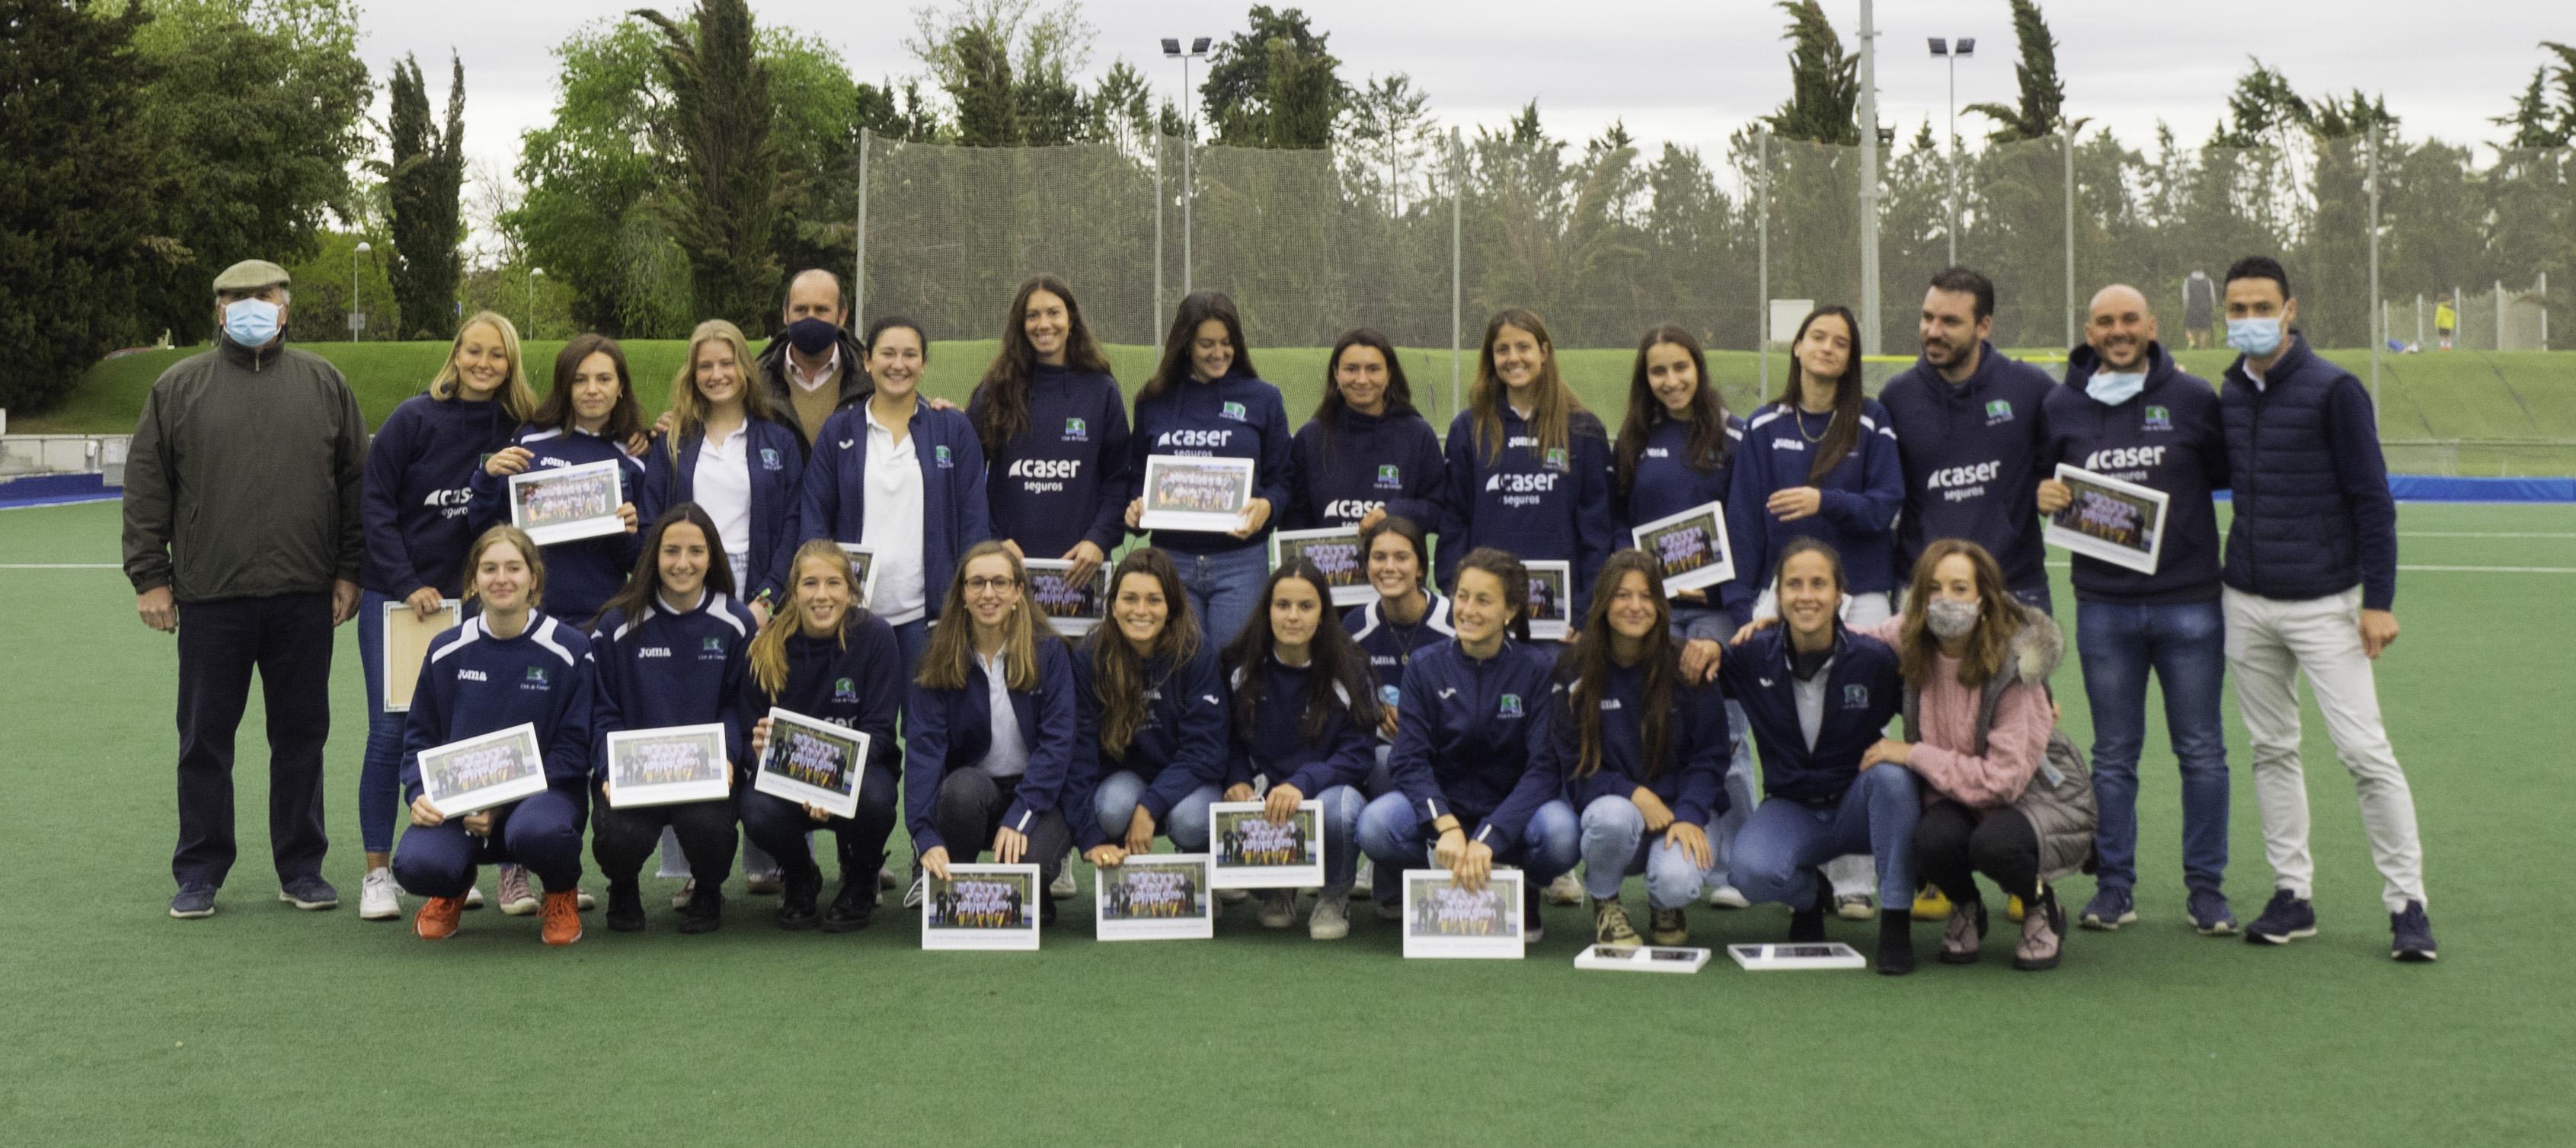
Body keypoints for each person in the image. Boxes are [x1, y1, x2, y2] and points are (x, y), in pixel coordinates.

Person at [124, 258, 366, 919]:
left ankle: (302, 867)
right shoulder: (178, 388)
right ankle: (200, 870)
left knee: (301, 736)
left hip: (303, 596)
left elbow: (354, 486)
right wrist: (151, 578)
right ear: (218, 310)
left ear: (285, 307)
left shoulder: (324, 383)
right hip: (210, 598)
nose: (250, 306)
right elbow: (148, 490)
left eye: (263, 296)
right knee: (204, 740)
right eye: (236, 298)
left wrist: (349, 571)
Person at [2215, 256, 2434, 961]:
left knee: (2365, 753)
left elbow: (2374, 500)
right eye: (2237, 307)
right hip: (2246, 601)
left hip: (2326, 605)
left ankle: (2407, 904)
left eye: (2261, 306)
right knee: (2272, 750)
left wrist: (2380, 602)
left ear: (2290, 309)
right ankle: (2293, 894)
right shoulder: (2226, 393)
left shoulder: (2335, 389)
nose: (2248, 319)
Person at [2038, 285, 2236, 935]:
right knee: (2114, 755)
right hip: (2105, 608)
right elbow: (2042, 485)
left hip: (2190, 604)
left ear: (2153, 325)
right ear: (2088, 330)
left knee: (2202, 751)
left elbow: (2221, 474)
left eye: (2130, 320)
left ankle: (2206, 888)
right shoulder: (2060, 403)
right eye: (2105, 322)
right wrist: (2044, 493)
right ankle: (2115, 886)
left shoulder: (2193, 398)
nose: (2118, 331)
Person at [350, 311, 534, 921]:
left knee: (475, 733)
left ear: (511, 363)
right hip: (402, 602)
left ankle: (463, 862)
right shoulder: (412, 418)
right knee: (393, 732)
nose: (484, 364)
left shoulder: (517, 429)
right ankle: (379, 873)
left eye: (497, 355)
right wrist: (409, 584)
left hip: (480, 603)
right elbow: (374, 505)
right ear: (455, 354)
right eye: (474, 351)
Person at [1843, 540, 2096, 971]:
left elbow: (2003, 782)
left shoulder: (2017, 666)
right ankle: (1967, 905)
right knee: (1928, 842)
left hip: (2034, 797)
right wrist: (1782, 623)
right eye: (1935, 588)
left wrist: (1914, 754)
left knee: (1993, 846)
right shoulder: (1911, 636)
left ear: (1984, 599)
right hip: (1956, 792)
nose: (1946, 600)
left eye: (1960, 588)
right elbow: (1847, 642)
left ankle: (2040, 905)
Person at [1727, 305, 1903, 918]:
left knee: (1858, 727)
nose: (1828, 348)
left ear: (1851, 358)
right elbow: (1745, 519)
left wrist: (1824, 500)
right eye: (1818, 337)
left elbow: (1885, 505)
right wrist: (1744, 600)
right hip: (1785, 594)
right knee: (1780, 719)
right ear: (1797, 346)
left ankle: (1857, 880)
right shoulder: (1764, 424)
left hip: (1863, 593)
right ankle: (1786, 856)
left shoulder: (1872, 421)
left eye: (1841, 342)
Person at [1710, 539, 1917, 974]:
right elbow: (1696, 677)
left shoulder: (1875, 660)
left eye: (1819, 584)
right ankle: (1810, 897)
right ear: (1778, 595)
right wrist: (1707, 649)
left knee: (1893, 778)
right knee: (1749, 873)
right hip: (1793, 806)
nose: (1806, 596)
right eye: (1795, 585)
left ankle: (1896, 924)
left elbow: (1935, 705)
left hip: (1858, 806)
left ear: (1840, 595)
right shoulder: (1751, 655)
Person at [1609, 325, 1762, 910]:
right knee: (1655, 731)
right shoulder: (1633, 438)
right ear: (1645, 378)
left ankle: (1731, 867)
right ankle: (1663, 849)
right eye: (1658, 371)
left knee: (1726, 736)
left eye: (1680, 367)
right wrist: (1648, 586)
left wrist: (1719, 585)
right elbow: (1621, 526)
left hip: (1717, 612)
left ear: (1698, 368)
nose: (1670, 380)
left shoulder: (1735, 436)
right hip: (1653, 613)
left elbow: (1748, 525)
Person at [1357, 548, 1580, 940]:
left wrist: (1492, 836)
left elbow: (1544, 769)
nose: (1468, 610)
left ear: (1510, 610)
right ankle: (1443, 880)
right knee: (1376, 825)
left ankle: (1520, 886)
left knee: (1561, 836)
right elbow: (1409, 760)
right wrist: (1446, 825)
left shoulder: (1537, 669)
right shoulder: (1426, 666)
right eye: (1462, 596)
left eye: (1484, 600)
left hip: (1512, 812)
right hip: (1447, 810)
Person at [392, 526, 597, 945]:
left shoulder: (571, 649)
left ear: (533, 579)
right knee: (415, 864)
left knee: (540, 832)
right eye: (489, 569)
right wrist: (419, 793)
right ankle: (450, 888)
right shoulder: (446, 648)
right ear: (474, 580)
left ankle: (560, 893)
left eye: (513, 568)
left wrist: (501, 802)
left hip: (544, 798)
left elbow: (575, 752)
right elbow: (419, 740)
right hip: (461, 804)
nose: (501, 578)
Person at [1545, 552, 1731, 950]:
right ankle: (1606, 901)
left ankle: (1666, 903)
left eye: (1646, 597)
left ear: (1661, 606)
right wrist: (1634, 794)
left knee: (1676, 882)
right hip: (1617, 815)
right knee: (1613, 816)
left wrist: (1689, 815)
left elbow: (1711, 756)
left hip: (1680, 809)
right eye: (1622, 595)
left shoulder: (1687, 664)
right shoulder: (1573, 667)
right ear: (1603, 603)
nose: (1635, 607)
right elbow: (1573, 763)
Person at [587, 505, 759, 934]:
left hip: (703, 773)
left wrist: (730, 760)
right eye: (671, 551)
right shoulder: (617, 624)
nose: (683, 563)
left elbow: (737, 708)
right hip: (635, 774)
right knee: (618, 837)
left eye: (696, 551)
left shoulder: (735, 623)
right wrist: (609, 771)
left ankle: (707, 888)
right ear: (654, 556)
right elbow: (603, 709)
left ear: (712, 557)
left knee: (709, 828)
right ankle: (623, 886)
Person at [791, 315, 989, 674]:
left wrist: (966, 599)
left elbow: (974, 519)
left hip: (927, 618)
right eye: (888, 354)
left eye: (910, 355)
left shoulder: (953, 429)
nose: (899, 365)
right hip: (851, 612)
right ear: (867, 361)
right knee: (858, 726)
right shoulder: (839, 430)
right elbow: (815, 514)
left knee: (924, 727)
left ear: (924, 364)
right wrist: (822, 589)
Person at [901, 542, 1080, 919]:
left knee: (1031, 870)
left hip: (1039, 798)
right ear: (962, 594)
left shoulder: (1049, 652)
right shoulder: (937, 653)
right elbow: (924, 749)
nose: (988, 594)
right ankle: (949, 885)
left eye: (1000, 582)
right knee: (961, 789)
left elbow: (1058, 745)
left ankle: (1029, 884)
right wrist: (924, 836)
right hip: (976, 794)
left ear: (1018, 592)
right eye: (977, 583)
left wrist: (1022, 814)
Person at [738, 541, 907, 932]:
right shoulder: (765, 647)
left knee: (876, 800)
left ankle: (862, 874)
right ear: (793, 591)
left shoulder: (876, 636)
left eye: (834, 583)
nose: (822, 595)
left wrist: (831, 784)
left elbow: (881, 735)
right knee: (756, 808)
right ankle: (799, 875)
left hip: (860, 775)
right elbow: (751, 738)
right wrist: (766, 755)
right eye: (810, 583)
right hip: (788, 781)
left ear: (850, 590)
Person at [1879, 266, 2057, 613]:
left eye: (1950, 322)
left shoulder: (2029, 388)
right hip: (1924, 590)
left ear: (1984, 326)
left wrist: (2156, 383)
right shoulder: (1897, 398)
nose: (1933, 331)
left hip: (2013, 588)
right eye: (1927, 318)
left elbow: (2088, 424)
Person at [1123, 290, 1294, 650]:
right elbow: (1135, 475)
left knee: (1236, 669)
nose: (1219, 353)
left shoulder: (1263, 398)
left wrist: (1267, 507)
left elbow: (1284, 480)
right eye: (1206, 344)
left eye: (1227, 343)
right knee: (1179, 666)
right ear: (1185, 344)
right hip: (1173, 562)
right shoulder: (1153, 400)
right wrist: (1137, 506)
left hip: (1241, 563)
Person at [1218, 559, 1379, 938]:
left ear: (1323, 614)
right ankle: (1275, 890)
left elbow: (1359, 752)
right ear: (1267, 610)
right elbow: (1226, 738)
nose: (1293, 617)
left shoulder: (1350, 666)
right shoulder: (1237, 664)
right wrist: (1238, 779)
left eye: (1306, 607)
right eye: (1282, 605)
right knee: (1223, 801)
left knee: (1337, 810)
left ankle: (1332, 895)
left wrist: (1305, 782)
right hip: (1265, 789)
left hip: (1325, 787)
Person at [1437, 309, 1616, 622]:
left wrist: (1586, 609)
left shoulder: (1582, 429)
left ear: (1544, 352)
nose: (1513, 358)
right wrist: (1456, 592)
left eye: (1523, 347)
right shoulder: (1468, 428)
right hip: (1486, 612)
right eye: (1502, 350)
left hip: (1562, 616)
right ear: (1491, 358)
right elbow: (1455, 519)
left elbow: (1597, 529)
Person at [1065, 548, 1229, 876]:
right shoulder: (1090, 657)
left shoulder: (1196, 652)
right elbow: (1079, 750)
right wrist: (1089, 837)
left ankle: (1200, 868)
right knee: (1111, 809)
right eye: (1130, 599)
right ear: (1113, 606)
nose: (1141, 611)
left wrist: (1149, 806)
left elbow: (1206, 750)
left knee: (1191, 820)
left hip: (1189, 776)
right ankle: (1126, 882)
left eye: (1154, 600)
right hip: (1126, 776)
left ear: (1171, 608)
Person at [470, 334, 647, 630]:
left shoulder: (637, 457)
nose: (592, 390)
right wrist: (486, 479)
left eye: (604, 379)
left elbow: (638, 562)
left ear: (621, 388)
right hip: (527, 615)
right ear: (565, 386)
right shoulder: (530, 441)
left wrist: (626, 533)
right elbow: (483, 528)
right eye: (579, 380)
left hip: (600, 618)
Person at [970, 274, 1131, 602]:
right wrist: (993, 540)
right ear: (1021, 324)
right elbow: (966, 476)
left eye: (1054, 313)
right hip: (1006, 575)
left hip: (1080, 575)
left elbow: (1120, 478)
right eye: (1033, 315)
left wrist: (1099, 540)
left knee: (1080, 655)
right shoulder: (995, 391)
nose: (1044, 324)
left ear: (1071, 320)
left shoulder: (1100, 390)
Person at [641, 318, 806, 618]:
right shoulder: (673, 439)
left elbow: (792, 525)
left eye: (726, 364)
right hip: (686, 575)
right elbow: (650, 520)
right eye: (705, 366)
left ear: (743, 367)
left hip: (755, 586)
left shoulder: (779, 440)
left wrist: (769, 598)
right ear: (693, 374)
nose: (716, 375)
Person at [1284, 328, 1446, 533]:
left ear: (1389, 375)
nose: (1362, 380)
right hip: (1328, 565)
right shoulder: (1310, 438)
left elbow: (1438, 509)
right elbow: (1294, 517)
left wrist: (1395, 513)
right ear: (1336, 373)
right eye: (1351, 369)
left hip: (1391, 564)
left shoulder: (1418, 435)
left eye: (1373, 369)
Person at [754, 268, 872, 447]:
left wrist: (929, 406)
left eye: (821, 310)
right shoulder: (754, 382)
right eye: (801, 309)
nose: (810, 317)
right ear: (785, 313)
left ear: (842, 315)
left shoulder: (870, 380)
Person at [2182, 269, 2216, 351]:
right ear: (2202, 270)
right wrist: (2213, 306)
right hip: (2205, 308)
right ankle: (2201, 350)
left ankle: (2192, 343)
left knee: (2189, 329)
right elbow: (2212, 296)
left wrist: (2186, 307)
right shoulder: (2208, 281)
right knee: (2203, 330)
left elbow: (2185, 296)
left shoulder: (2188, 280)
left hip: (2192, 307)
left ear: (2193, 270)